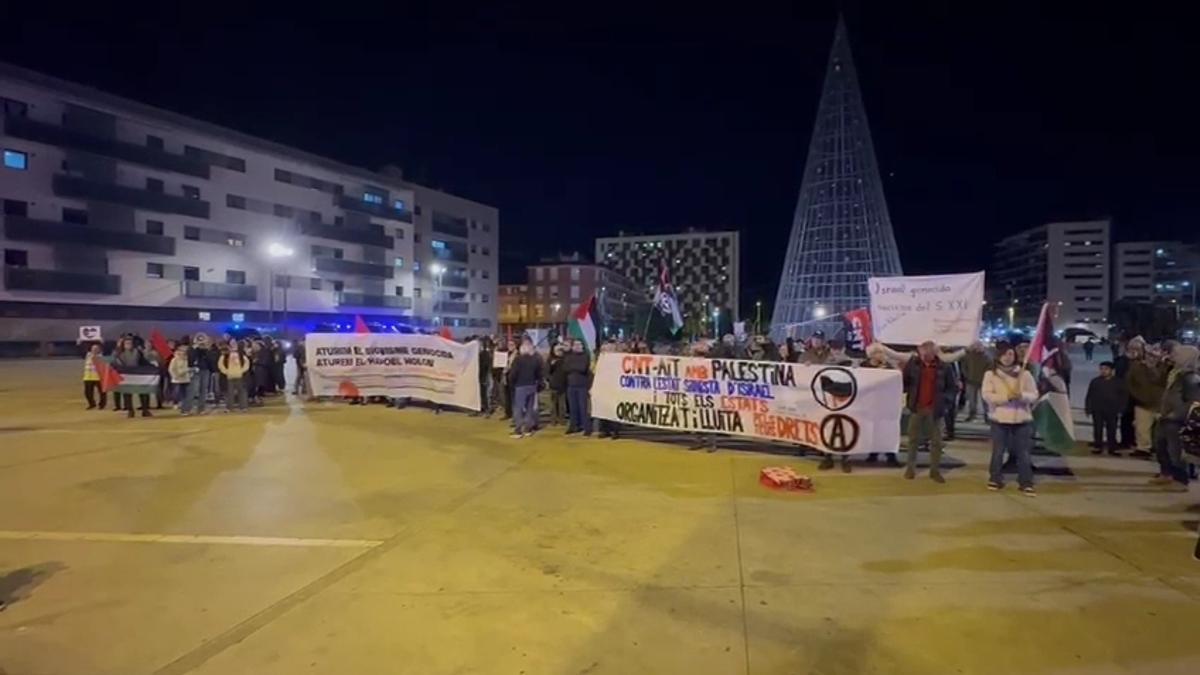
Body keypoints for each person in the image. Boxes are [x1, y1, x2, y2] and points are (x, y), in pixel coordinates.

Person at [981, 342, 1039, 495]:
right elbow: (987, 395)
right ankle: (995, 478)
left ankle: (1026, 481)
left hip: (1022, 420)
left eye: (1010, 354)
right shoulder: (991, 374)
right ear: (998, 356)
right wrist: (1006, 398)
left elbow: (1034, 394)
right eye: (1004, 354)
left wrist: (1022, 396)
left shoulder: (1024, 374)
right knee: (998, 451)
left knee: (1023, 452)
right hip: (999, 419)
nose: (1007, 358)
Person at [901, 341, 956, 482]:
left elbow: (951, 388)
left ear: (934, 352)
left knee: (936, 442)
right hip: (917, 408)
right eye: (922, 352)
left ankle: (935, 471)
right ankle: (910, 469)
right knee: (913, 440)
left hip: (935, 410)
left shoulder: (945, 367)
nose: (924, 356)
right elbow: (904, 382)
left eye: (928, 353)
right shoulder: (913, 365)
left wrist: (945, 403)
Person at [1151, 344, 1199, 491]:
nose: (1172, 356)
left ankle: (1181, 480)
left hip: (1176, 420)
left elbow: (1193, 402)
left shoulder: (1190, 378)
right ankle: (1166, 474)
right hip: (1165, 417)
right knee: (1161, 446)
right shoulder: (1175, 372)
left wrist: (1175, 414)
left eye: (1176, 354)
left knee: (1175, 451)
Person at [860, 344, 901, 467]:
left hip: (884, 404)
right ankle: (873, 453)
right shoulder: (864, 366)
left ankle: (890, 455)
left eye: (882, 353)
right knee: (872, 429)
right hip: (869, 403)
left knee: (886, 429)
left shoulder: (888, 367)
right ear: (872, 355)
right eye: (878, 353)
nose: (881, 355)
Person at [1126, 338, 1166, 459]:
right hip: (1142, 402)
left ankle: (1157, 448)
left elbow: (1161, 381)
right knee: (1142, 427)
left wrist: (1152, 368)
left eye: (1154, 355)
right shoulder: (1137, 367)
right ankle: (1143, 448)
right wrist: (1137, 396)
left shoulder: (1163, 367)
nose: (1151, 357)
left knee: (1158, 429)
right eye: (1149, 355)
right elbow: (1130, 382)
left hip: (1160, 403)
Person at [1085, 360, 1128, 456]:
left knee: (1112, 429)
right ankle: (1098, 446)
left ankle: (1112, 448)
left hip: (1112, 410)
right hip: (1098, 409)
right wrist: (1088, 408)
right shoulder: (1095, 381)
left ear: (1112, 370)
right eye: (1101, 369)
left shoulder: (1119, 382)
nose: (1103, 371)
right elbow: (1089, 396)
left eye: (1106, 369)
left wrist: (1121, 409)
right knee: (1097, 429)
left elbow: (1124, 397)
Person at [508, 338, 544, 438]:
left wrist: (512, 383)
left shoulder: (518, 360)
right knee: (529, 408)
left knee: (518, 408)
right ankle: (528, 429)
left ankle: (518, 430)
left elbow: (513, 374)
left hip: (520, 386)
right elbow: (539, 374)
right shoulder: (535, 359)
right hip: (532, 386)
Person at [112, 336, 153, 418]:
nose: (128, 345)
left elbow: (144, 362)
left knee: (143, 393)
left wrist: (152, 367)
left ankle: (145, 410)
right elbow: (114, 363)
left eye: (130, 343)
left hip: (138, 375)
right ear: (123, 345)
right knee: (127, 395)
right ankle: (130, 410)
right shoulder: (119, 353)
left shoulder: (137, 352)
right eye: (126, 343)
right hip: (126, 376)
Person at [562, 340, 593, 435]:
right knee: (573, 407)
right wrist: (575, 367)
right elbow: (565, 368)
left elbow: (583, 368)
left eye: (579, 344)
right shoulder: (568, 356)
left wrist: (572, 367)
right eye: (575, 344)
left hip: (582, 385)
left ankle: (586, 427)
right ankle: (574, 426)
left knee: (583, 407)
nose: (577, 346)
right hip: (571, 385)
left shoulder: (585, 355)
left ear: (582, 346)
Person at [960, 341, 991, 422]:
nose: (977, 348)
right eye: (976, 346)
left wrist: (986, 378)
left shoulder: (987, 357)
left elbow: (990, 368)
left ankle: (987, 416)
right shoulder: (968, 356)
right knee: (971, 400)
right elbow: (964, 366)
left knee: (985, 400)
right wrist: (966, 375)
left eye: (979, 346)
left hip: (983, 382)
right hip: (970, 381)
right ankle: (972, 414)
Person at [184, 333, 213, 415]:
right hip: (195, 370)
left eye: (203, 340)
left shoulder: (207, 350)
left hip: (205, 370)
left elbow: (210, 360)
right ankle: (187, 409)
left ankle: (201, 409)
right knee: (193, 390)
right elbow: (190, 360)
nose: (201, 342)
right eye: (199, 340)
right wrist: (195, 348)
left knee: (203, 391)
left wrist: (206, 349)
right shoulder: (191, 349)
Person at [220, 339, 251, 412]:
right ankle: (229, 407)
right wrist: (226, 372)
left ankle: (243, 407)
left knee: (242, 391)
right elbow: (221, 364)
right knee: (229, 392)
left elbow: (247, 363)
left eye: (234, 343)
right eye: (231, 343)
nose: (233, 345)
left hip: (240, 376)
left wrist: (242, 371)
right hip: (229, 376)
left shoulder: (241, 354)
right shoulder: (225, 355)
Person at [168, 343, 193, 413]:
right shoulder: (174, 359)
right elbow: (171, 369)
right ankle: (175, 403)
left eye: (185, 351)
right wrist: (174, 376)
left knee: (185, 395)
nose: (183, 352)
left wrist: (190, 374)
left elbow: (189, 369)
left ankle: (184, 409)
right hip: (177, 380)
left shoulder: (188, 359)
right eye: (182, 350)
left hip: (186, 379)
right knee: (177, 393)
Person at [473, 337, 494, 417]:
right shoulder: (477, 354)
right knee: (481, 394)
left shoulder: (485, 354)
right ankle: (481, 408)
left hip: (484, 376)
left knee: (486, 394)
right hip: (480, 376)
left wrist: (485, 377)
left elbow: (486, 366)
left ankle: (487, 409)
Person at [547, 343, 568, 425]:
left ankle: (562, 419)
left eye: (559, 350)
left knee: (562, 404)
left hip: (563, 384)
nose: (558, 351)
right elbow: (547, 371)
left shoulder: (564, 359)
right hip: (553, 384)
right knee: (553, 404)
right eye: (556, 350)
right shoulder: (551, 360)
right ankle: (553, 419)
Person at [82, 343, 107, 410]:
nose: (94, 350)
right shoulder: (88, 355)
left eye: (96, 348)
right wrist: (80, 342)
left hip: (99, 377)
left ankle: (102, 405)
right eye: (93, 348)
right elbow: (82, 348)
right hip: (88, 377)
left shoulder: (101, 356)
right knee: (87, 393)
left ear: (99, 350)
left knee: (102, 392)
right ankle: (92, 404)